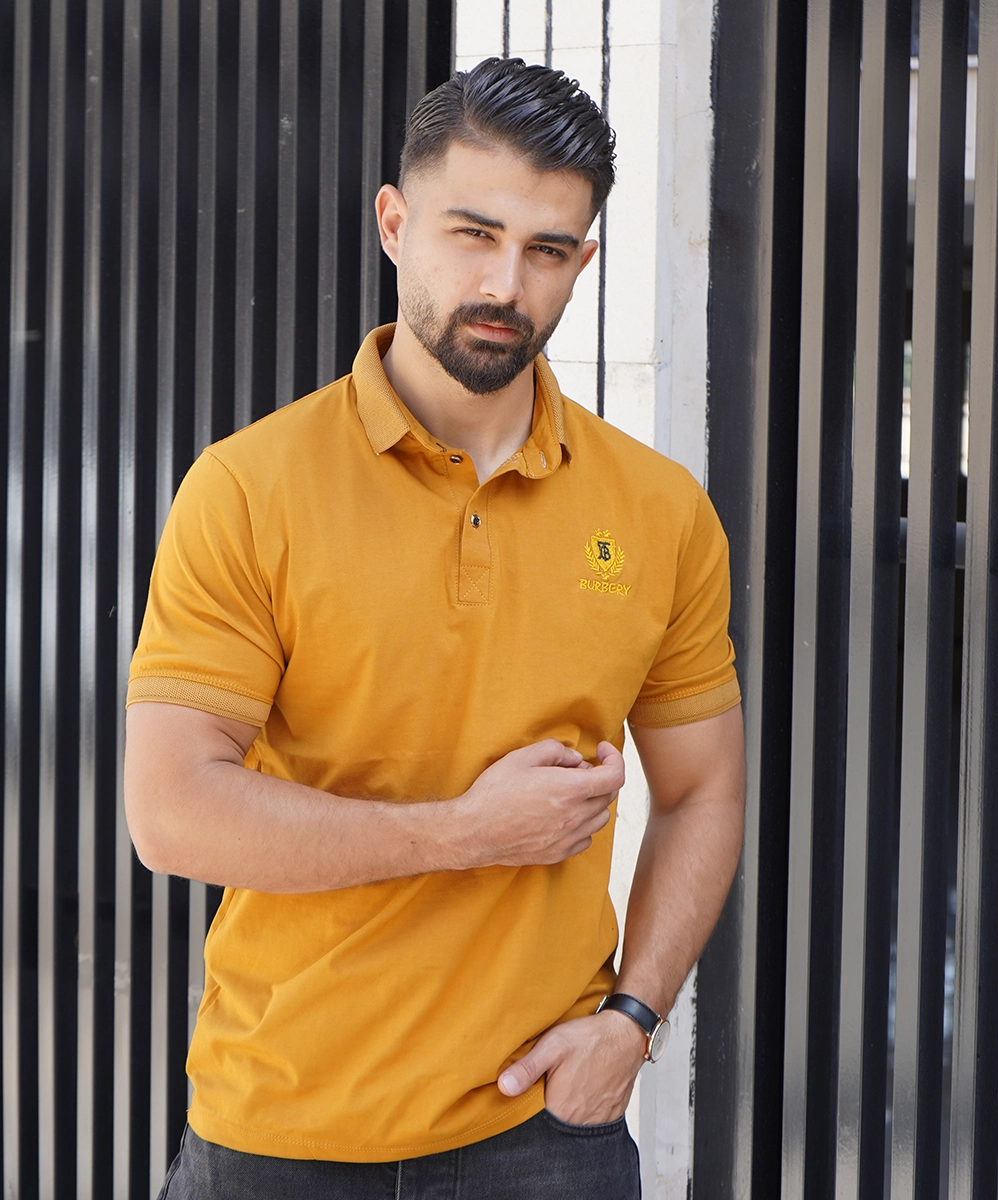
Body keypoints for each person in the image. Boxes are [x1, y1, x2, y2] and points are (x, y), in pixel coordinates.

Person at [125, 56, 745, 1199]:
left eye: (547, 250)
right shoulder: (251, 489)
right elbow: (172, 812)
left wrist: (634, 1019)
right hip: (282, 1130)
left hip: (545, 1134)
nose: (506, 282)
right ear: (395, 225)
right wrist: (464, 832)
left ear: (582, 264)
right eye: (474, 234)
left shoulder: (660, 513)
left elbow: (703, 789)